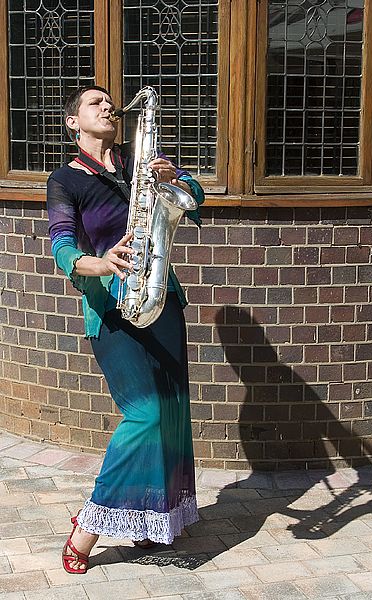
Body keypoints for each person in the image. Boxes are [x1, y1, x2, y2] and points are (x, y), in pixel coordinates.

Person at [46, 85, 204, 573]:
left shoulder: (143, 163)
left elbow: (193, 201)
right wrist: (101, 261)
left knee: (173, 412)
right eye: (94, 103)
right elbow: (61, 247)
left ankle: (150, 521)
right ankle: (87, 528)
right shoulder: (65, 180)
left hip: (161, 298)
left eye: (109, 102)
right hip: (112, 308)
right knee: (146, 415)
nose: (107, 106)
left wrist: (174, 175)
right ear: (73, 123)